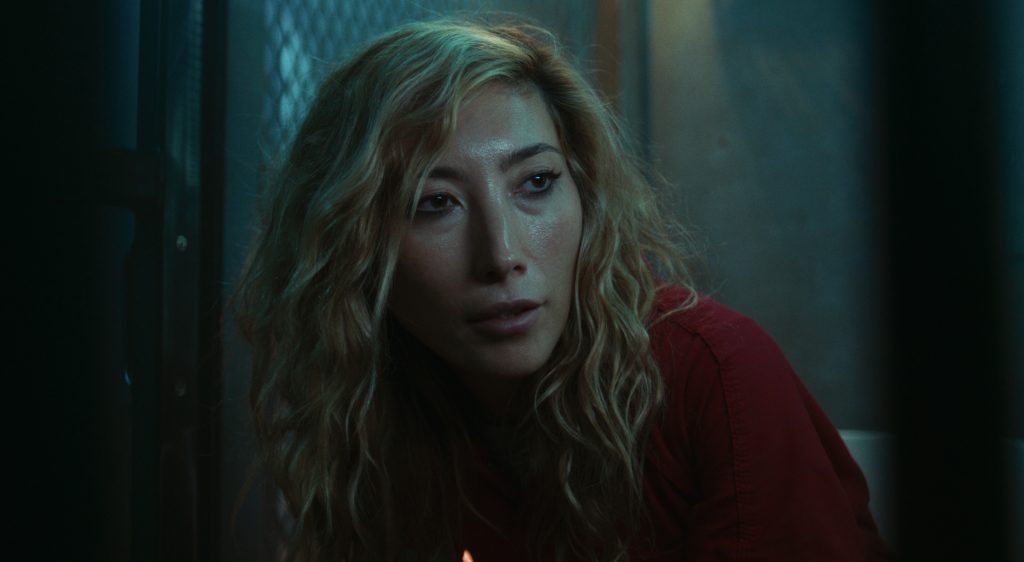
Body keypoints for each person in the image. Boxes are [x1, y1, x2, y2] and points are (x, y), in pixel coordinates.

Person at [236, 17, 889, 562]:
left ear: (586, 194)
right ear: (353, 246)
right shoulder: (379, 415)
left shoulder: (713, 373)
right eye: (434, 203)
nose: (502, 255)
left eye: (536, 183)